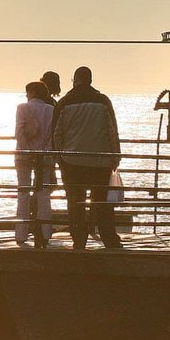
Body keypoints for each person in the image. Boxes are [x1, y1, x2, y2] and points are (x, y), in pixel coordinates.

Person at [52, 66, 122, 249]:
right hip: (100, 161)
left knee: (75, 203)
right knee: (102, 203)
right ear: (90, 80)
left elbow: (57, 134)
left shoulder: (65, 102)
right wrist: (116, 156)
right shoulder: (103, 101)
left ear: (75, 80)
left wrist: (59, 157)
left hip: (72, 162)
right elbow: (112, 131)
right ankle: (109, 238)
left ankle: (79, 239)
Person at [14, 80, 56, 247]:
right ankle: (46, 232)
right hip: (44, 156)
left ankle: (21, 233)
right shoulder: (51, 110)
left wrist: (28, 151)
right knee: (44, 194)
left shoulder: (22, 108)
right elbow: (51, 135)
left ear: (30, 93)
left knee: (23, 192)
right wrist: (42, 151)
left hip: (24, 156)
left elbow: (19, 132)